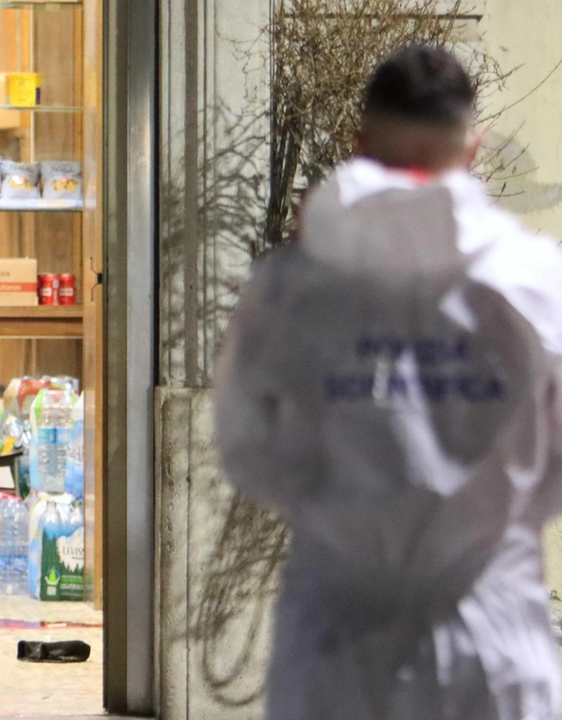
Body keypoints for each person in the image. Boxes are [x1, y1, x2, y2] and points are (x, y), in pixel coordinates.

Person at [215, 45, 562, 720]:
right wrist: (489, 525)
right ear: (473, 148)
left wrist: (348, 514)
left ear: (360, 142)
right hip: (492, 646)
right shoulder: (539, 282)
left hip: (337, 642)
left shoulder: (293, 288)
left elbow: (250, 452)